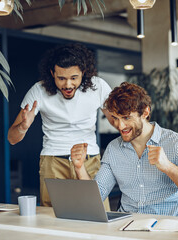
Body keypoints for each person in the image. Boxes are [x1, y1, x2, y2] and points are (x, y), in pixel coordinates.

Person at [71, 82, 178, 216]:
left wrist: (168, 167)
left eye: (126, 118)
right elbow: (96, 197)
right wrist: (79, 168)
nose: (120, 126)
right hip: (125, 228)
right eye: (115, 118)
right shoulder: (114, 149)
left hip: (166, 229)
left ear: (145, 112)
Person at [8, 43, 113, 208]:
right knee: (53, 219)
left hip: (89, 160)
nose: (68, 85)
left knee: (99, 213)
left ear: (83, 73)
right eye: (61, 78)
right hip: (53, 162)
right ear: (52, 74)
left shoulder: (98, 86)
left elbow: (117, 121)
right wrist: (23, 126)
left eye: (74, 78)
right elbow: (12, 139)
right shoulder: (38, 91)